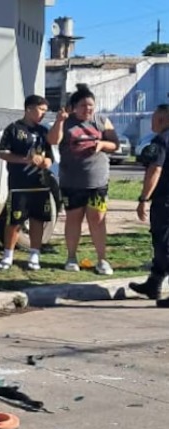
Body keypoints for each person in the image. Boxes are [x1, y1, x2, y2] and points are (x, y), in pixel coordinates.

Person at [47, 84, 120, 275]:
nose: (88, 109)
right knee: (73, 219)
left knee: (97, 220)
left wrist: (102, 143)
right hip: (71, 182)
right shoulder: (66, 122)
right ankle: (71, 257)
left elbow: (115, 144)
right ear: (73, 107)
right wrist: (59, 121)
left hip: (97, 181)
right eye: (83, 106)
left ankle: (102, 260)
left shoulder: (102, 121)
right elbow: (53, 141)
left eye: (91, 106)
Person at [0, 95, 56, 271]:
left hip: (41, 183)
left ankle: (34, 254)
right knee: (14, 221)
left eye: (45, 110)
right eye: (40, 109)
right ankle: (7, 256)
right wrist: (26, 160)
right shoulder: (13, 129)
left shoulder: (44, 132)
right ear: (29, 109)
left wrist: (47, 162)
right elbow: (2, 153)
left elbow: (50, 156)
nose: (43, 113)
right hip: (19, 183)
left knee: (38, 220)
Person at [129, 103, 169, 306]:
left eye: (154, 117)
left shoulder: (161, 140)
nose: (151, 121)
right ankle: (154, 283)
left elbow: (155, 169)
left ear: (162, 119)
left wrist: (143, 199)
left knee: (164, 244)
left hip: (165, 201)